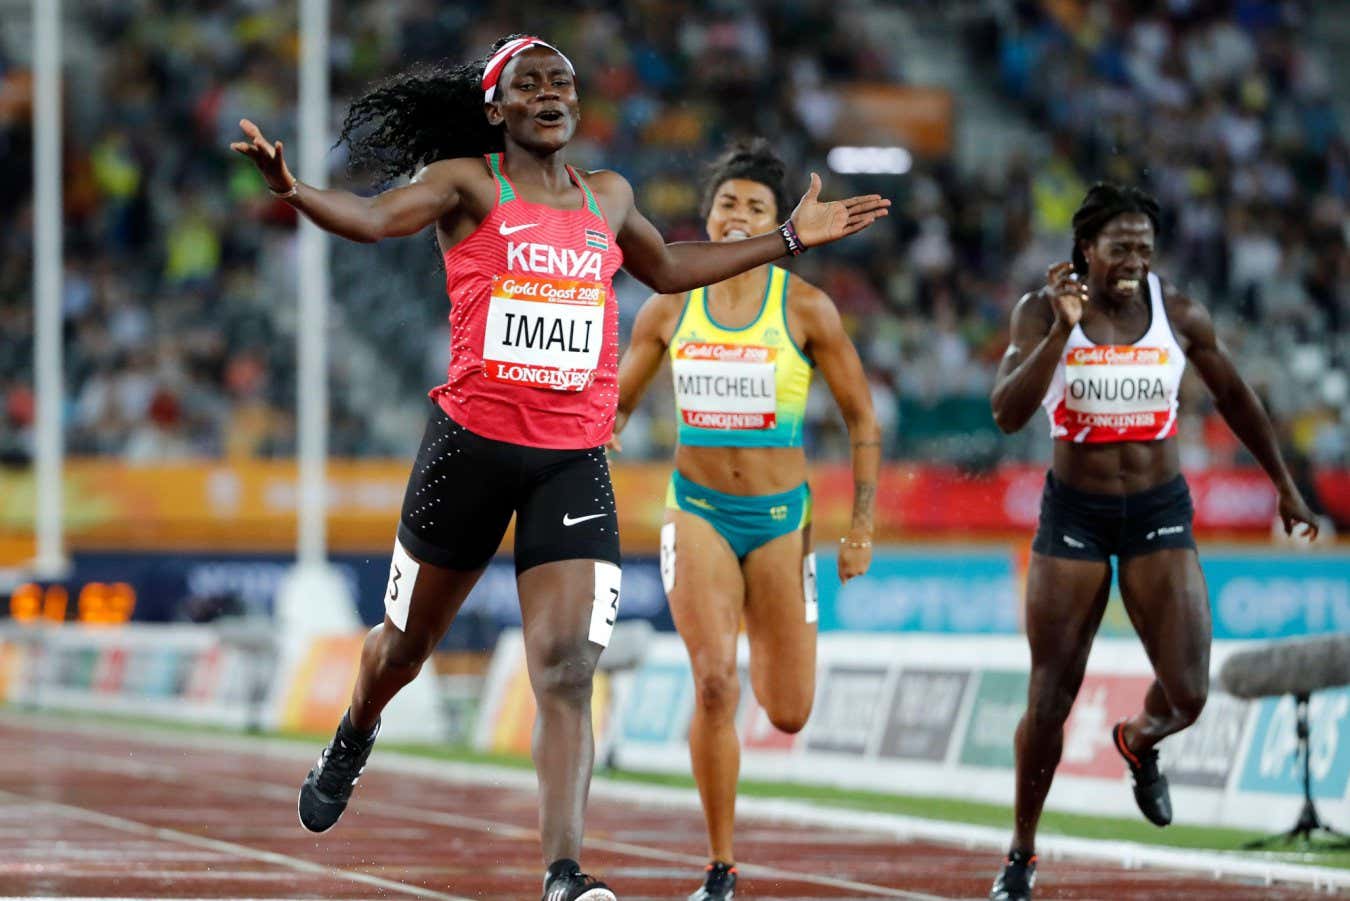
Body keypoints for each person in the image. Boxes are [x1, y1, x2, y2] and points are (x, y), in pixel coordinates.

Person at [230, 35, 888, 901]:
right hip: (467, 451)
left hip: (569, 461)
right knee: (404, 648)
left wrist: (788, 239)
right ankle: (356, 728)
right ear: (496, 108)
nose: (551, 92)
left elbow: (674, 267)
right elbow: (375, 218)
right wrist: (296, 192)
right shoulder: (470, 182)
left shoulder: (606, 198)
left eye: (563, 83)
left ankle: (564, 873)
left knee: (568, 666)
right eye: (529, 83)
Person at [986, 183, 1320, 901]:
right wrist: (1057, 332)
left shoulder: (1181, 313)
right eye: (1120, 246)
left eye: (1145, 245)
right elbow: (1008, 413)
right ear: (1087, 249)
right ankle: (1021, 852)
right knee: (1050, 696)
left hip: (1159, 513)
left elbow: (1236, 397)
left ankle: (1138, 738)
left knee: (1191, 693)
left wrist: (1285, 486)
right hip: (1074, 513)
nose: (1135, 258)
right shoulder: (1042, 311)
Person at [610, 139, 880, 901]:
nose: (738, 216)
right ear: (707, 215)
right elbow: (620, 402)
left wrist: (861, 524)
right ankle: (721, 867)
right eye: (728, 203)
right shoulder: (670, 304)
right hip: (696, 510)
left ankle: (727, 846)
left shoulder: (806, 308)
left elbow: (863, 420)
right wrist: (604, 427)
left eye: (757, 208)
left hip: (781, 523)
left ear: (779, 223)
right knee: (714, 682)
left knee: (789, 709)